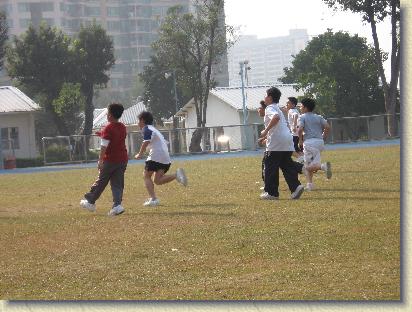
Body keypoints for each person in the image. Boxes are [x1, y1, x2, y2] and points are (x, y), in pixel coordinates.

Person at [80, 103, 128, 216]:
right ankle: (117, 205)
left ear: (110, 115)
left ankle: (90, 201)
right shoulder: (122, 126)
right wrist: (101, 133)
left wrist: (100, 160)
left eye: (107, 112)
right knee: (117, 183)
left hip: (110, 160)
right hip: (122, 159)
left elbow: (104, 146)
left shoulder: (108, 128)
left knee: (101, 181)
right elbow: (113, 135)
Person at [259, 87, 304, 200]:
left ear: (269, 97)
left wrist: (265, 131)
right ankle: (296, 187)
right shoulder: (278, 108)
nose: (264, 97)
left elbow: (276, 118)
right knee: (286, 164)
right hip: (287, 140)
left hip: (276, 142)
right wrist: (266, 135)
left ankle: (271, 193)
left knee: (270, 166)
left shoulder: (270, 108)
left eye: (265, 95)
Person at [134, 111, 187, 207]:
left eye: (138, 121)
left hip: (156, 155)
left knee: (146, 176)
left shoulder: (147, 128)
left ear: (142, 120)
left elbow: (146, 141)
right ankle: (176, 175)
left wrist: (140, 154)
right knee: (157, 180)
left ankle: (154, 199)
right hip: (165, 157)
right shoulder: (154, 129)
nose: (138, 123)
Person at [298, 98, 332, 191]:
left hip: (309, 143)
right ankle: (310, 185)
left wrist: (300, 140)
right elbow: (327, 127)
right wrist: (323, 137)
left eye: (301, 106)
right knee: (311, 164)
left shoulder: (302, 117)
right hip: (319, 142)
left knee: (307, 166)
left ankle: (323, 166)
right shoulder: (318, 117)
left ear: (305, 108)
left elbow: (300, 129)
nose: (300, 108)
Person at [286, 97, 304, 162]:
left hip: (295, 134)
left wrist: (294, 125)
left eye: (288, 103)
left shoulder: (292, 111)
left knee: (290, 149)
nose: (287, 104)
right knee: (299, 150)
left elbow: (295, 115)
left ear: (293, 105)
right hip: (299, 134)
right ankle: (307, 161)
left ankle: (302, 159)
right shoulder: (295, 110)